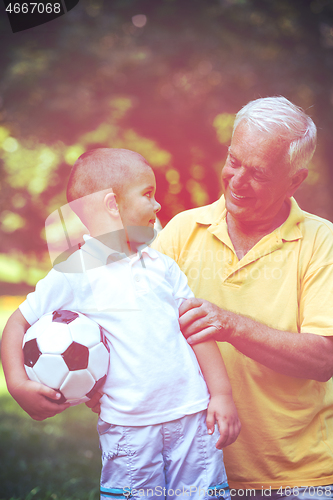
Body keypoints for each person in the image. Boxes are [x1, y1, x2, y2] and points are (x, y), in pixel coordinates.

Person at [1, 148, 241, 500]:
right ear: (113, 205)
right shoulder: (74, 272)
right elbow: (16, 323)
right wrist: (18, 384)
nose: (158, 206)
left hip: (192, 417)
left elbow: (197, 330)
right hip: (129, 429)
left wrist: (221, 394)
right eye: (148, 194)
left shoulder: (163, 267)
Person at [152, 97, 333, 499]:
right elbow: (135, 314)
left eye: (258, 174)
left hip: (299, 480)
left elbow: (324, 359)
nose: (237, 180)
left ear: (294, 181)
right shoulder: (183, 231)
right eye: (234, 161)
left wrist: (230, 324)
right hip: (194, 471)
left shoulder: (323, 243)